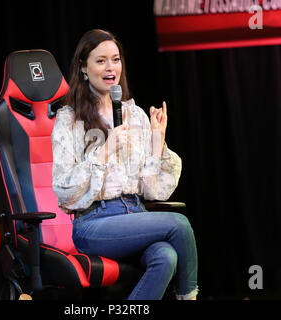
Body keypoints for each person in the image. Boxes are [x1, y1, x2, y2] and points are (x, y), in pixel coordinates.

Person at [51, 29, 198, 300]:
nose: (111, 68)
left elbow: (155, 192)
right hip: (94, 222)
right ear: (83, 68)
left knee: (165, 257)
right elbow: (64, 189)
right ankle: (189, 296)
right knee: (179, 224)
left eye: (116, 59)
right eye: (101, 60)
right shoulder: (68, 119)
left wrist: (157, 140)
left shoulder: (135, 114)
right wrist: (105, 150)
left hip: (135, 213)